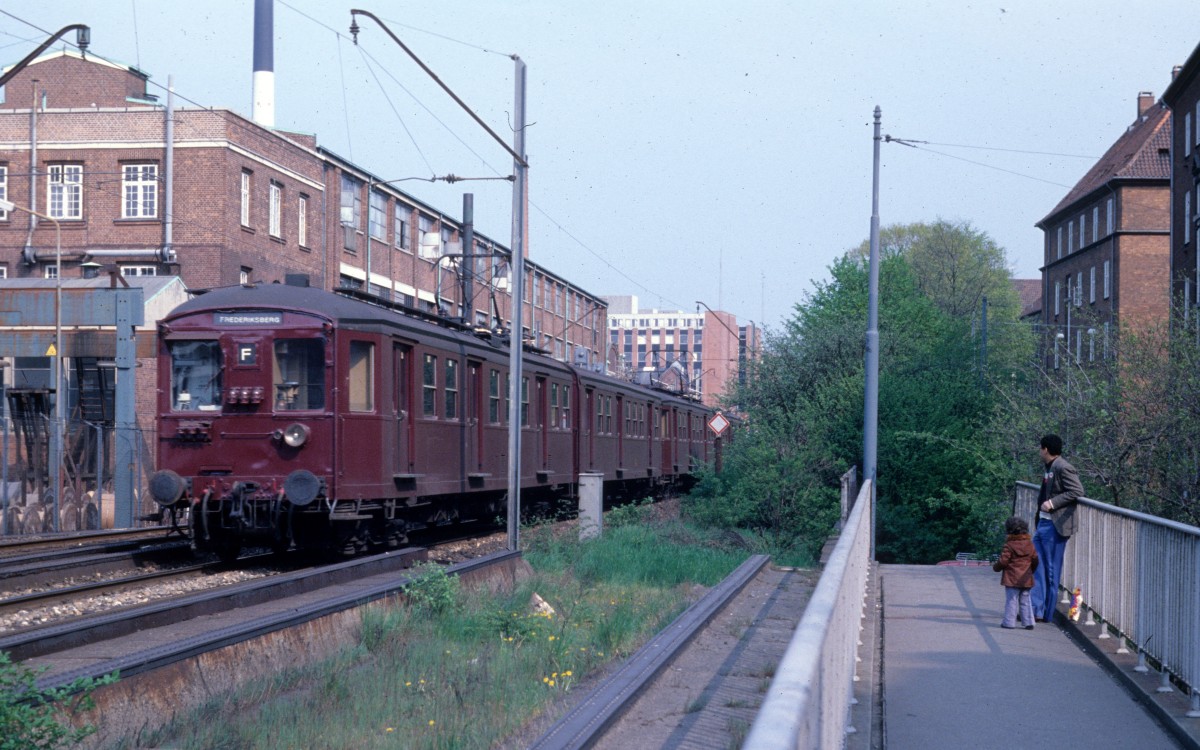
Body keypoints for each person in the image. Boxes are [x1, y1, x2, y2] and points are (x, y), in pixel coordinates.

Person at [1031, 434, 1084, 622]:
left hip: (1055, 525)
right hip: (1044, 524)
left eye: (1040, 448)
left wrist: (1052, 503)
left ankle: (1046, 614)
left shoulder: (1063, 467)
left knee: (1051, 571)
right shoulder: (1050, 467)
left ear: (1045, 449)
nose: (1039, 451)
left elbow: (1077, 491)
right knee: (1037, 566)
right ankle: (1035, 610)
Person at [993, 516, 1039, 629]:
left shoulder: (1009, 545)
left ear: (1009, 531)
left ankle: (1009, 622)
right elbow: (1035, 560)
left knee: (1011, 601)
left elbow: (1003, 561)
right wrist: (1031, 571)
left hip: (1011, 579)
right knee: (1025, 600)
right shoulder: (1030, 544)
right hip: (1026, 578)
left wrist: (996, 567)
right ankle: (1028, 622)